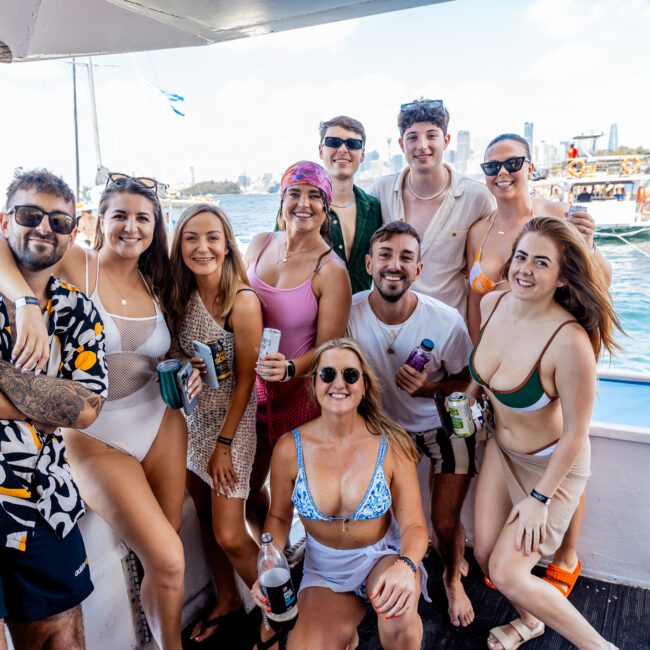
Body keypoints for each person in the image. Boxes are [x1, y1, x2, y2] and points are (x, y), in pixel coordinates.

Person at [0, 173, 201, 650]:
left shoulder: (162, 279)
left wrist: (188, 363)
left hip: (158, 420)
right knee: (170, 556)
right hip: (96, 439)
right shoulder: (76, 263)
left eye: (143, 218)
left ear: (157, 227)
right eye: (120, 216)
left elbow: (152, 353)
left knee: (166, 550)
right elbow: (11, 242)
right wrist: (27, 302)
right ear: (97, 222)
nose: (131, 227)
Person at [466, 134, 613, 598]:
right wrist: (479, 375)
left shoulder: (554, 217)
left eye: (513, 163)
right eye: (491, 167)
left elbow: (596, 284)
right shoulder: (479, 230)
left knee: (565, 452)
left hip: (550, 370)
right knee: (491, 554)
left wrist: (590, 246)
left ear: (530, 165)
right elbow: (480, 302)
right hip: (500, 374)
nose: (502, 173)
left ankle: (565, 559)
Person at [471, 216, 621, 650]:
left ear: (560, 277)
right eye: (521, 257)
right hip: (502, 450)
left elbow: (577, 433)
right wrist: (472, 398)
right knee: (485, 555)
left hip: (552, 466)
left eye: (541, 262)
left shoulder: (569, 342)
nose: (525, 269)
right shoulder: (491, 304)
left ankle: (599, 647)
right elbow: (486, 376)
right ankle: (530, 621)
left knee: (508, 571)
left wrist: (540, 500)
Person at [250, 338, 430, 650]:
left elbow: (414, 526)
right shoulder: (288, 449)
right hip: (325, 572)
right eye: (327, 374)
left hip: (383, 558)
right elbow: (279, 517)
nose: (338, 384)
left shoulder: (392, 444)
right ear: (314, 383)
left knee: (398, 621)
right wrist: (269, 565)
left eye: (350, 375)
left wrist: (406, 566)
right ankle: (346, 632)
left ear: (364, 386)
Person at [347, 221, 476, 628]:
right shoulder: (348, 313)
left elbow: (467, 380)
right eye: (385, 255)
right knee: (377, 517)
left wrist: (428, 389)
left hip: (443, 424)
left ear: (418, 270)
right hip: (384, 430)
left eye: (406, 257)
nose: (394, 265)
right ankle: (373, 579)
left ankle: (453, 579)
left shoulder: (444, 320)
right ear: (369, 263)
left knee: (444, 522)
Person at [0, 170, 107, 649]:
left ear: (72, 234)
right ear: (6, 221)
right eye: (30, 215)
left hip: (46, 499)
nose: (44, 228)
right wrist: (42, 396)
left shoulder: (79, 311)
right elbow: (61, 403)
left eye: (59, 221)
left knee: (59, 639)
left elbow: (83, 410)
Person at [168, 203, 263, 643]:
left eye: (211, 238)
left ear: (227, 245)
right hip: (192, 424)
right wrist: (186, 362)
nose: (202, 247)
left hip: (232, 426)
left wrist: (223, 444)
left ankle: (281, 610)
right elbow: (175, 351)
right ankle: (227, 600)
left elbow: (246, 383)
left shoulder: (242, 302)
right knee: (205, 519)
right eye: (191, 238)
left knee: (229, 532)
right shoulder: (179, 295)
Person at [245, 161, 351, 534]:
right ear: (282, 200)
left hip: (299, 398)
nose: (303, 203)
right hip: (251, 391)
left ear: (326, 208)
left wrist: (290, 368)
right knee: (247, 491)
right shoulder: (259, 245)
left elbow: (330, 349)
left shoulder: (331, 270)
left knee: (296, 495)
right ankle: (271, 556)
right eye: (294, 193)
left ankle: (309, 569)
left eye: (314, 196)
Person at [370, 98, 494, 319]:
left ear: (446, 140)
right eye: (413, 137)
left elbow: (494, 256)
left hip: (449, 328)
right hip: (391, 324)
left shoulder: (477, 197)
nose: (422, 145)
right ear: (401, 144)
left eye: (431, 135)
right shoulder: (381, 190)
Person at [318, 115, 382, 293]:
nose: (343, 149)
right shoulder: (301, 208)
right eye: (333, 142)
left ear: (362, 155)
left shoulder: (373, 208)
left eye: (352, 144)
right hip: (314, 317)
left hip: (361, 316)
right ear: (320, 150)